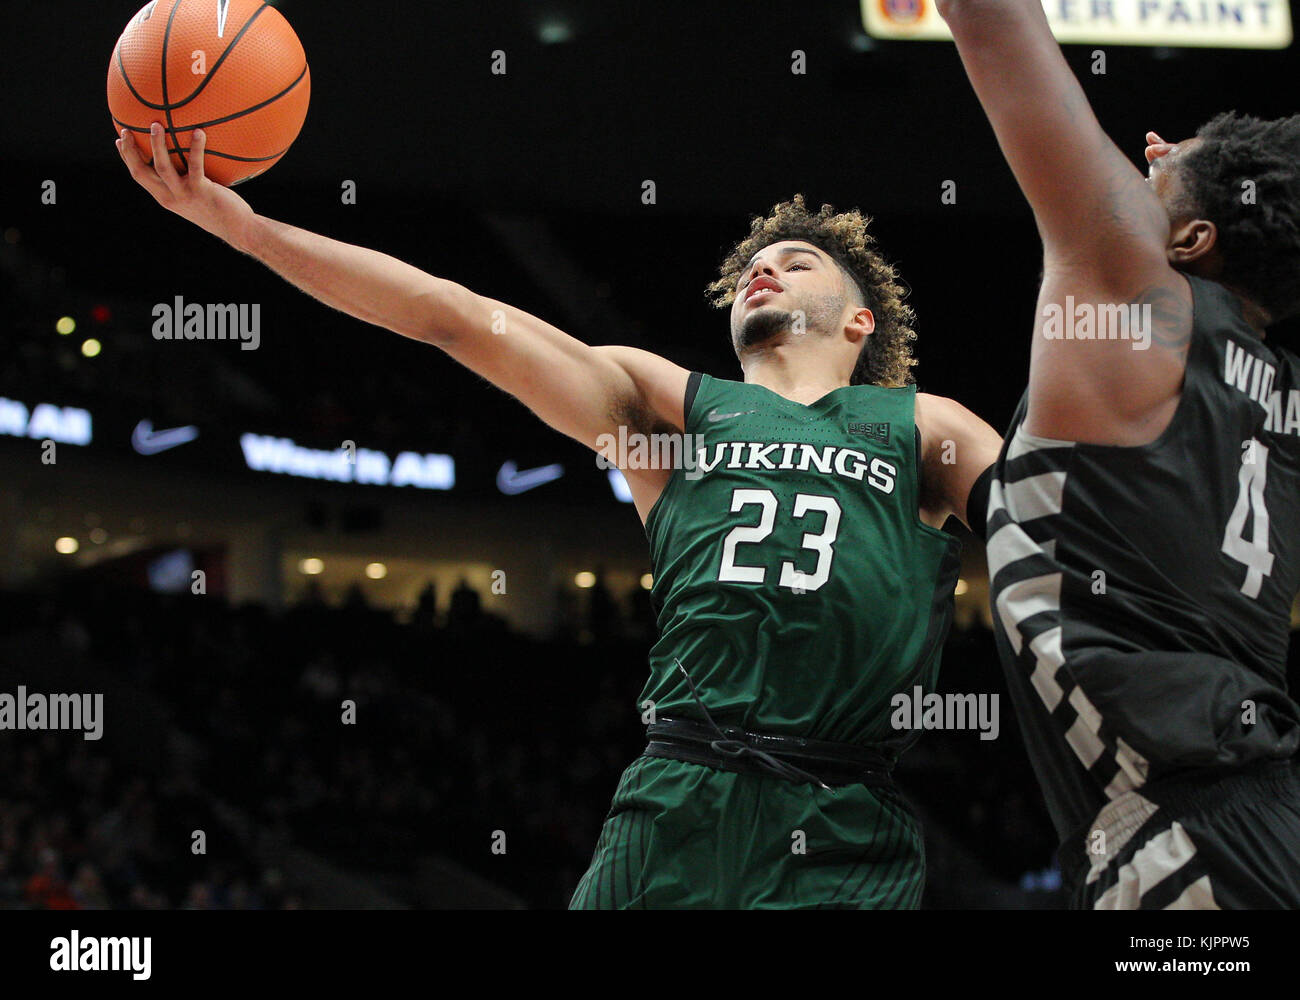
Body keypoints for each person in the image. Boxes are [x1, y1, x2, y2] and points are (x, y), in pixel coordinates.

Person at [116, 125, 1000, 908]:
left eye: (798, 262)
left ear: (860, 321)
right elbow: (451, 318)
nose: (764, 266)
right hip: (674, 801)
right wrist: (244, 228)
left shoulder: (922, 427)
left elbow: (1067, 537)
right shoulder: (667, 414)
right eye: (750, 268)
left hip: (843, 822)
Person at [939, 0, 1300, 908]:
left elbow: (989, 19)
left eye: (1162, 164)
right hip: (1247, 812)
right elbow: (1068, 523)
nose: (1143, 147)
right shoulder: (1275, 399)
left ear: (1189, 242)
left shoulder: (1140, 301)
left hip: (1188, 842)